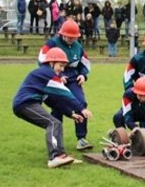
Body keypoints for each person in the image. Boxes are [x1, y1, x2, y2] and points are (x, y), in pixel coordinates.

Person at [12, 47, 92, 168]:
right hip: (25, 104)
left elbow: (52, 101)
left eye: (64, 66)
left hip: (29, 103)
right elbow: (65, 93)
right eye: (60, 65)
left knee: (55, 123)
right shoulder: (47, 74)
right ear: (51, 63)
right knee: (53, 123)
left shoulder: (46, 76)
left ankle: (62, 156)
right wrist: (81, 108)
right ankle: (54, 157)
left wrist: (70, 113)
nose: (62, 69)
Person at [38, 19, 93, 151]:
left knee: (80, 103)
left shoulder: (78, 46)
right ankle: (56, 140)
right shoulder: (52, 43)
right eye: (68, 36)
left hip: (73, 78)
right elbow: (42, 59)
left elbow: (85, 63)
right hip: (56, 77)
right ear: (62, 34)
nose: (71, 39)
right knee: (58, 107)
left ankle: (81, 138)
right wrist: (56, 75)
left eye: (74, 37)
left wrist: (83, 75)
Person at [113, 76, 145, 153]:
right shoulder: (127, 95)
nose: (143, 98)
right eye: (140, 95)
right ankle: (123, 140)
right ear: (135, 92)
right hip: (131, 113)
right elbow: (127, 114)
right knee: (117, 117)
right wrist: (134, 127)